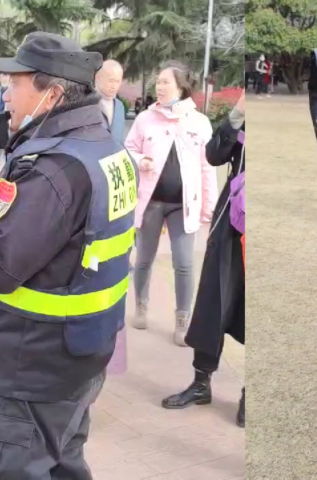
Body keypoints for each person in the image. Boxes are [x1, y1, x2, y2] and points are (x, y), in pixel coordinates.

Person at [0, 32, 137, 479]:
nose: (4, 94)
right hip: (78, 354)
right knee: (61, 463)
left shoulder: (56, 171)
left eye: (14, 84)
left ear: (50, 93)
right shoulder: (105, 148)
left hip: (29, 369)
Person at [162, 89, 245, 428]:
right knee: (213, 301)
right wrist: (237, 115)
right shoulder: (243, 123)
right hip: (231, 226)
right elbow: (213, 154)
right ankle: (200, 384)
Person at [124, 61, 217, 344]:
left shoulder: (199, 122)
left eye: (165, 82)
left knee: (185, 263)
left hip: (184, 206)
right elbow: (128, 149)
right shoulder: (144, 119)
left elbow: (207, 166)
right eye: (158, 82)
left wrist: (208, 207)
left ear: (181, 87)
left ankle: (182, 318)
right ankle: (141, 304)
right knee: (143, 260)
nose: (159, 87)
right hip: (151, 202)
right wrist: (142, 161)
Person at [95, 59, 126, 143]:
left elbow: (120, 138)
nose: (114, 86)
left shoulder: (120, 106)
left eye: (118, 81)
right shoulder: (86, 103)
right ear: (98, 78)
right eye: (111, 81)